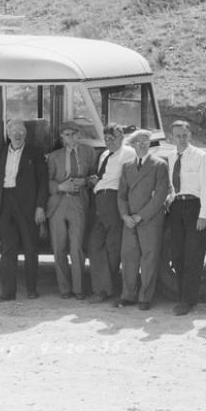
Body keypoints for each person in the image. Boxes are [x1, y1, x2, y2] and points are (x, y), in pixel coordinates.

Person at [0, 118, 49, 302]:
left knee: (30, 247)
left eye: (21, 132)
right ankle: (8, 292)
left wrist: (40, 207)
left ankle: (31, 289)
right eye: (14, 132)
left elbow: (43, 183)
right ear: (8, 135)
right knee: (8, 249)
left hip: (28, 205)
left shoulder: (35, 154)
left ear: (26, 135)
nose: (17, 134)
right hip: (4, 203)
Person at [116, 129, 169, 311]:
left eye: (146, 141)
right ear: (132, 144)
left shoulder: (159, 165)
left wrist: (140, 216)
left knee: (149, 258)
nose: (142, 144)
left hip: (149, 219)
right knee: (129, 257)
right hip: (129, 221)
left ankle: (145, 297)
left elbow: (161, 195)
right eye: (138, 141)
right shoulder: (127, 166)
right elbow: (121, 195)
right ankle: (128, 295)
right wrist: (125, 216)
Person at [46, 119, 97, 299]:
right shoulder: (54, 157)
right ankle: (64, 289)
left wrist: (84, 181)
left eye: (74, 134)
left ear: (79, 135)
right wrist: (60, 187)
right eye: (67, 135)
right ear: (62, 137)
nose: (71, 138)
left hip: (78, 203)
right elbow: (46, 182)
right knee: (58, 247)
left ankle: (78, 289)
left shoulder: (89, 153)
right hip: (58, 204)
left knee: (76, 247)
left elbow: (95, 177)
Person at [166, 120, 206, 316]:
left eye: (184, 135)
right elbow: (172, 185)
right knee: (177, 254)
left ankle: (189, 300)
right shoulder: (170, 157)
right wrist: (170, 199)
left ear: (190, 135)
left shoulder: (200, 156)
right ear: (172, 137)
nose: (181, 139)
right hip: (176, 206)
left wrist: (203, 215)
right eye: (177, 135)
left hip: (194, 207)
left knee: (193, 255)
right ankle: (181, 295)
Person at [87, 124, 136, 304]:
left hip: (115, 200)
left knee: (112, 246)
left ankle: (106, 290)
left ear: (122, 138)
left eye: (112, 138)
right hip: (100, 199)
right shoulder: (105, 155)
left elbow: (128, 179)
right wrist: (96, 181)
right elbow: (105, 177)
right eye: (106, 139)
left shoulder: (128, 153)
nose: (108, 142)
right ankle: (103, 288)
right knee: (94, 244)